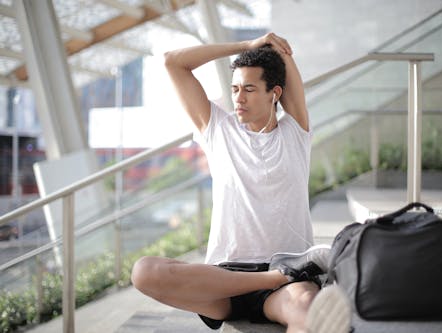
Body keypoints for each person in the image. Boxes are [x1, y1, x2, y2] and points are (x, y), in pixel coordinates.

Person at [131, 33, 350, 333]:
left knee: (307, 313)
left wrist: (270, 48)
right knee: (144, 272)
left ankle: (284, 276)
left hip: (285, 280)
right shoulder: (217, 129)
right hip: (226, 279)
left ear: (274, 93)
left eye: (248, 88)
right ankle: (279, 276)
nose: (238, 98)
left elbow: (281, 54)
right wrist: (244, 46)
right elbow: (173, 62)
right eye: (234, 89)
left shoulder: (295, 132)